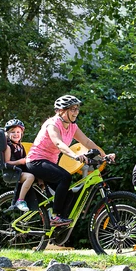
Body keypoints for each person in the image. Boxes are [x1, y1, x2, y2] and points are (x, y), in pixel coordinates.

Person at [26, 95, 115, 226]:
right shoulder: (52, 124)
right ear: (61, 111)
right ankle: (55, 217)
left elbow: (86, 141)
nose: (76, 112)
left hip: (49, 163)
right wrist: (74, 155)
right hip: (36, 161)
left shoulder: (72, 126)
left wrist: (104, 156)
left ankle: (56, 223)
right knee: (65, 177)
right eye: (72, 109)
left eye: (77, 109)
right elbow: (58, 143)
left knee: (69, 194)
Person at [2, 119, 35, 212]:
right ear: (8, 134)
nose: (16, 134)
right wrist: (19, 162)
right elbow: (7, 162)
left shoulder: (20, 146)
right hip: (12, 172)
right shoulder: (9, 147)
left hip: (20, 171)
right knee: (30, 177)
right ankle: (20, 200)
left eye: (18, 132)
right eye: (13, 132)